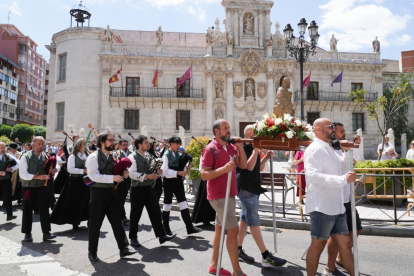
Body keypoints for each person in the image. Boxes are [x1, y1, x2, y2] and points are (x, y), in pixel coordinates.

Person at [304, 119, 357, 276]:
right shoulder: (314, 149)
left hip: (337, 206)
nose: (334, 129)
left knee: (346, 244)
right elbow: (313, 176)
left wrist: (347, 152)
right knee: (318, 245)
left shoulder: (330, 148)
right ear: (319, 130)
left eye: (334, 127)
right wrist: (342, 180)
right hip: (322, 207)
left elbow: (343, 167)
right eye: (331, 127)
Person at [201, 119, 248, 276]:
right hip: (218, 196)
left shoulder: (231, 147)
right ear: (217, 131)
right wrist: (223, 169)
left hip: (230, 194)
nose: (229, 130)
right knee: (233, 230)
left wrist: (240, 148)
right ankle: (237, 270)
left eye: (229, 128)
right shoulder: (210, 149)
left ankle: (214, 265)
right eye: (225, 128)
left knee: (220, 229)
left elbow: (243, 165)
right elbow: (203, 175)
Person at [236, 125, 286, 268]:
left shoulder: (253, 149)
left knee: (244, 220)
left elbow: (258, 168)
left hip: (252, 187)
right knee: (254, 220)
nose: (259, 136)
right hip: (246, 188)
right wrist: (257, 149)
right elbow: (249, 167)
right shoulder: (245, 148)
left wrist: (266, 158)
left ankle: (238, 249)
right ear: (249, 135)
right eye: (256, 134)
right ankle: (265, 256)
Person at [85, 132, 136, 262]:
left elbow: (117, 173)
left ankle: (123, 248)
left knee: (117, 222)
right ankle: (92, 251)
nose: (113, 143)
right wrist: (112, 178)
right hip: (98, 193)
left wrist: (124, 174)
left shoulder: (113, 156)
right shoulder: (93, 157)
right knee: (95, 224)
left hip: (112, 193)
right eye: (110, 140)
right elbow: (93, 176)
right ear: (102, 142)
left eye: (113, 140)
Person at [325, 122, 363, 276]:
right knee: (335, 236)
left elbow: (346, 168)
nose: (344, 134)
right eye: (341, 132)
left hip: (347, 198)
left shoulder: (342, 150)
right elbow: (337, 171)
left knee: (357, 228)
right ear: (334, 134)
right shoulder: (329, 151)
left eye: (344, 131)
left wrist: (353, 178)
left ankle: (340, 257)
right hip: (336, 199)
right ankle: (329, 266)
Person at [127, 135, 176, 247]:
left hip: (149, 188)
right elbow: (131, 174)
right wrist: (147, 176)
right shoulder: (132, 157)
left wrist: (158, 171)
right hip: (137, 189)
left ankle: (162, 236)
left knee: (155, 212)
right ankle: (133, 238)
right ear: (139, 145)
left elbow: (152, 168)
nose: (148, 144)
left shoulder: (149, 155)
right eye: (146, 143)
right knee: (135, 215)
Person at [161, 136, 202, 236]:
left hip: (178, 182)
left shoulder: (178, 154)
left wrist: (185, 168)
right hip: (169, 182)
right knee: (167, 204)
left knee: (184, 204)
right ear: (171, 143)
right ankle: (165, 228)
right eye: (177, 144)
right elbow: (164, 171)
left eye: (179, 144)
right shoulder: (166, 154)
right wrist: (177, 173)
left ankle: (189, 227)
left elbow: (180, 166)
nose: (179, 146)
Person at [19, 136, 56, 242]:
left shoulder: (46, 156)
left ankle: (46, 233)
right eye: (39, 144)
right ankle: (27, 233)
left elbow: (53, 167)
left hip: (42, 187)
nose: (41, 146)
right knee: (27, 210)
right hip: (29, 187)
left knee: (44, 210)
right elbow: (22, 174)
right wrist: (38, 177)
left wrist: (54, 170)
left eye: (42, 144)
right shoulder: (25, 157)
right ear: (33, 144)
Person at [51, 138, 90, 230]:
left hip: (86, 181)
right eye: (83, 144)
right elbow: (70, 169)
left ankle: (88, 219)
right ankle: (74, 222)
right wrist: (83, 170)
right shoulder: (73, 156)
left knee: (87, 201)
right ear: (78, 145)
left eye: (86, 144)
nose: (85, 146)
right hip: (75, 181)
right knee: (75, 202)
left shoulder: (86, 155)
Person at [191, 140, 216, 226]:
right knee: (204, 200)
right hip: (206, 179)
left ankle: (209, 218)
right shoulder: (206, 153)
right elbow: (201, 167)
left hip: (213, 178)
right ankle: (203, 219)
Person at [0, 142, 19, 221]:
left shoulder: (8, 156)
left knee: (8, 197)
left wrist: (12, 169)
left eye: (4, 147)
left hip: (6, 180)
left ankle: (9, 215)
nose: (3, 149)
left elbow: (18, 164)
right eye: (1, 147)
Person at [117, 138, 131, 225]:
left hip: (128, 179)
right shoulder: (117, 154)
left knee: (123, 198)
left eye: (126, 145)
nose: (125, 146)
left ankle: (120, 216)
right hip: (120, 179)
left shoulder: (130, 153)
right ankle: (122, 217)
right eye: (124, 145)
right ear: (119, 145)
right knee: (120, 199)